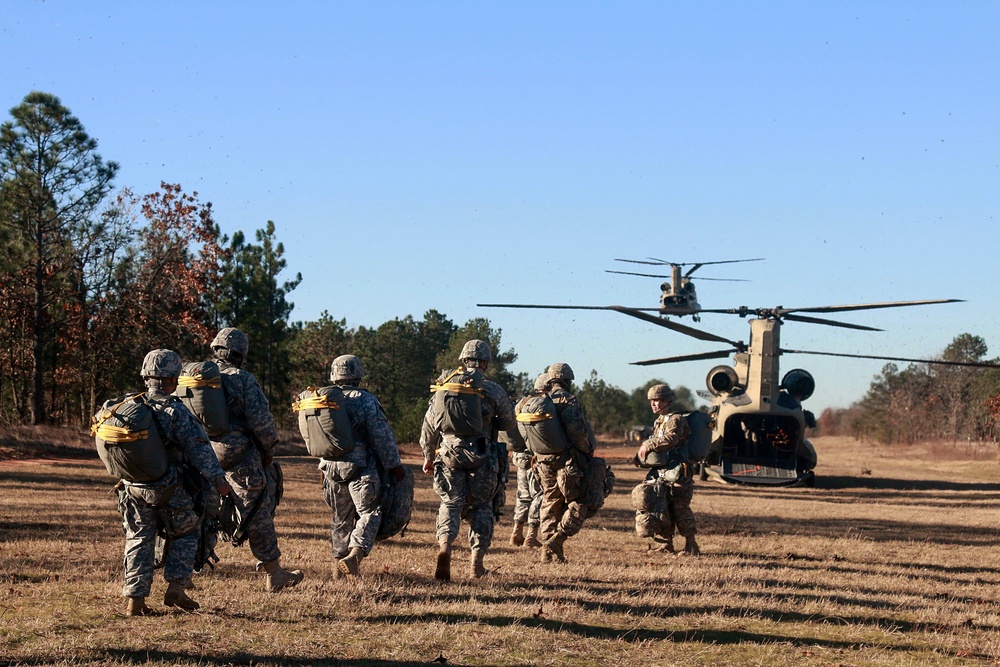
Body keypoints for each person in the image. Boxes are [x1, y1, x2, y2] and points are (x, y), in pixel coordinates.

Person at [112, 349, 232, 616]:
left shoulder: (127, 407)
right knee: (187, 530)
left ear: (146, 375)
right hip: (169, 488)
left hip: (133, 488)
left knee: (139, 538)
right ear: (173, 377)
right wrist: (219, 481)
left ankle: (135, 601)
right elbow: (199, 449)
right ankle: (176, 587)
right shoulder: (175, 410)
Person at [208, 327, 304, 591]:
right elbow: (261, 422)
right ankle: (274, 572)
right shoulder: (242, 379)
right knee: (258, 509)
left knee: (200, 509)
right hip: (238, 454)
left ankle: (183, 574)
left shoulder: (195, 377)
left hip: (204, 452)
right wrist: (270, 448)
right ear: (241, 353)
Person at [420, 339, 524, 580]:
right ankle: (476, 564)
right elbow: (509, 423)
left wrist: (428, 456)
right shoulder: (492, 389)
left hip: (448, 455)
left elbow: (428, 428)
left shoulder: (444, 387)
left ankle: (445, 548)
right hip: (482, 457)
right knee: (483, 507)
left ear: (463, 360)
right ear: (485, 362)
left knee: (450, 503)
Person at [319, 355, 406, 577]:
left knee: (341, 518)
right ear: (358, 374)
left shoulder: (322, 398)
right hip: (360, 468)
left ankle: (337, 573)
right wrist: (394, 464)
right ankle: (355, 555)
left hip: (330, 470)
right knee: (370, 512)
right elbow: (381, 435)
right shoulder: (364, 399)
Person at [634, 383, 699, 555]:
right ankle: (666, 544)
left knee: (680, 508)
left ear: (667, 401)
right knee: (661, 507)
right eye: (651, 401)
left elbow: (671, 439)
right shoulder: (659, 421)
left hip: (678, 472)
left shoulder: (676, 419)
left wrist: (649, 443)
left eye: (657, 400)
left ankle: (691, 545)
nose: (653, 404)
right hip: (662, 472)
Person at [508, 373, 548, 549]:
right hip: (535, 458)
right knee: (539, 495)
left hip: (520, 457)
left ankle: (516, 533)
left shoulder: (523, 403)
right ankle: (531, 536)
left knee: (523, 496)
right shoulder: (545, 404)